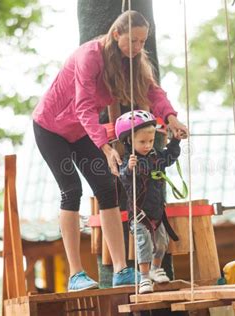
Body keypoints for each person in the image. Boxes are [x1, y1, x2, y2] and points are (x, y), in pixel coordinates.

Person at [32, 10, 188, 291]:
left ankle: (121, 270)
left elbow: (153, 92)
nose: (139, 47)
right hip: (50, 127)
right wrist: (104, 147)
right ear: (116, 35)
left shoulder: (133, 62)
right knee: (72, 190)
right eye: (134, 41)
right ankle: (76, 275)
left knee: (108, 187)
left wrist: (172, 117)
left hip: (79, 131)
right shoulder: (89, 56)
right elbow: (84, 107)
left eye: (143, 41)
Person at [116, 110, 183, 294]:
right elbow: (124, 178)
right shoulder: (129, 162)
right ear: (130, 141)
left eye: (151, 141)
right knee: (144, 243)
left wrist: (175, 141)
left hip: (157, 212)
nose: (147, 146)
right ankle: (144, 277)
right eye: (142, 142)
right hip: (139, 215)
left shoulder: (156, 158)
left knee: (162, 242)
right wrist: (129, 169)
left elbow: (169, 157)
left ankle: (155, 268)